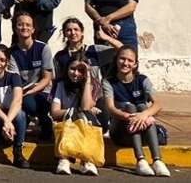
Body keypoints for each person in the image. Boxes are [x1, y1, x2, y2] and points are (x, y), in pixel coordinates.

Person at [103, 46, 170, 177]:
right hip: (121, 131)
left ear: (135, 64)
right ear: (116, 60)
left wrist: (142, 116)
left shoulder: (142, 80)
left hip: (143, 130)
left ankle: (157, 161)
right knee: (130, 107)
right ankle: (140, 160)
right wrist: (129, 116)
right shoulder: (108, 82)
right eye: (122, 59)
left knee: (142, 107)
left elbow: (158, 104)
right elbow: (111, 108)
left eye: (130, 60)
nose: (125, 63)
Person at [51, 57, 102, 175]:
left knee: (85, 116)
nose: (76, 73)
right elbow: (55, 112)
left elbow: (85, 107)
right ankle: (64, 159)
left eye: (80, 70)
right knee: (76, 115)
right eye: (72, 69)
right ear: (67, 69)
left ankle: (87, 161)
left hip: (84, 124)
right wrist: (74, 111)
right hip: (64, 123)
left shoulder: (93, 85)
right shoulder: (60, 84)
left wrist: (88, 78)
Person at [8, 11, 54, 141]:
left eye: (28, 25)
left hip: (41, 90)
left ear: (33, 29)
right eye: (20, 24)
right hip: (20, 91)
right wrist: (22, 93)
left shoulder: (43, 48)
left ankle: (45, 124)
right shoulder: (11, 52)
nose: (24, 27)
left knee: (33, 103)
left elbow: (46, 78)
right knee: (25, 104)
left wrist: (30, 92)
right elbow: (15, 80)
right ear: (15, 28)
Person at [54, 16, 122, 87]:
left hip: (94, 95)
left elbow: (123, 50)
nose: (73, 33)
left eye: (76, 29)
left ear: (82, 32)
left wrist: (106, 37)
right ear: (64, 33)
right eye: (69, 30)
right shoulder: (60, 56)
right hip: (69, 95)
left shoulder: (94, 50)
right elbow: (57, 79)